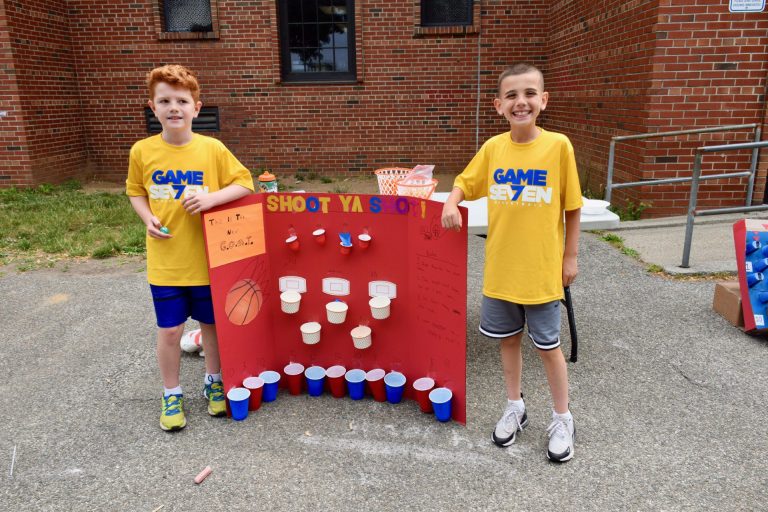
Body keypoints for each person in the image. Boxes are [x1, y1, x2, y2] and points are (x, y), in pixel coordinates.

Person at [441, 63, 582, 462]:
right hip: (501, 270)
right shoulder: (493, 149)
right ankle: (515, 407)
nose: (522, 102)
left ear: (543, 100)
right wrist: (452, 200)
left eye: (530, 94)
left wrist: (570, 256)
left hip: (540, 271)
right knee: (508, 342)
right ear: (498, 105)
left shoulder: (558, 147)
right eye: (512, 96)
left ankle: (562, 416)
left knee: (549, 347)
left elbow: (572, 209)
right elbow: (466, 183)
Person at [126, 64, 254, 431]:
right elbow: (135, 191)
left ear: (197, 108)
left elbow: (245, 184)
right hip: (166, 263)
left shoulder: (212, 149)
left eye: (182, 100)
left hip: (208, 261)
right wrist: (146, 217)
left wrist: (213, 199)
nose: (174, 107)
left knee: (210, 326)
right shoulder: (143, 151)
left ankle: (214, 383)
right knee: (169, 331)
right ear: (153, 108)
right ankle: (171, 393)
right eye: (164, 100)